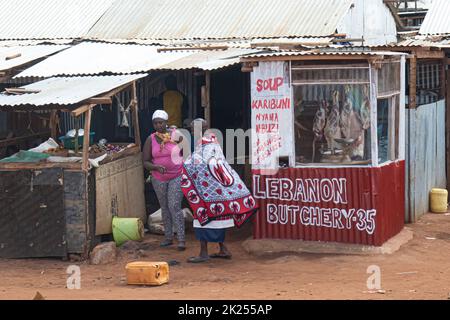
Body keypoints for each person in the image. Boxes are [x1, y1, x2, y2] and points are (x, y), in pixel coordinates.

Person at [181, 119, 257, 263]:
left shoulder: (205, 144)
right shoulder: (213, 141)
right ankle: (223, 249)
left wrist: (185, 165)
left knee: (202, 218)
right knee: (219, 219)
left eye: (192, 128)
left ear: (202, 128)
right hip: (217, 190)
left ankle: (204, 253)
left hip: (208, 191)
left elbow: (201, 163)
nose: (191, 131)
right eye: (190, 128)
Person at [142, 110, 186, 250]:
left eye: (160, 122)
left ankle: (181, 239)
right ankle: (168, 237)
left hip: (177, 175)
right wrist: (155, 167)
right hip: (158, 178)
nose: (158, 125)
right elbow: (145, 161)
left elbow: (186, 153)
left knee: (174, 205)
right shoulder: (151, 139)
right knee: (164, 207)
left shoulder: (176, 135)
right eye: (155, 123)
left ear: (166, 122)